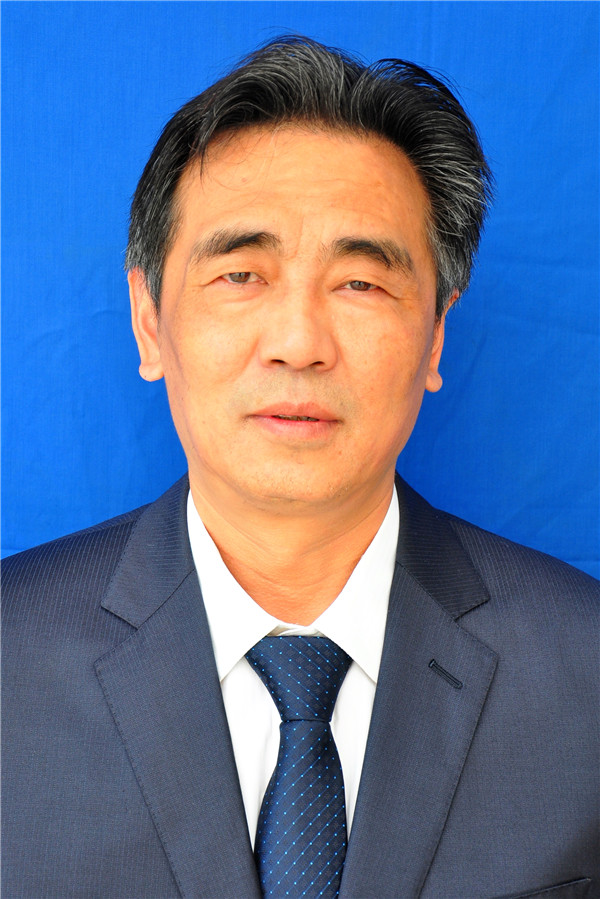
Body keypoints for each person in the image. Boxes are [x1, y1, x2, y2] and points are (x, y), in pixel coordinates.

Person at [3, 35, 598, 899]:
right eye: (242, 274)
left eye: (361, 284)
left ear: (436, 334)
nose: (298, 342)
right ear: (148, 320)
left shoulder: (585, 672)